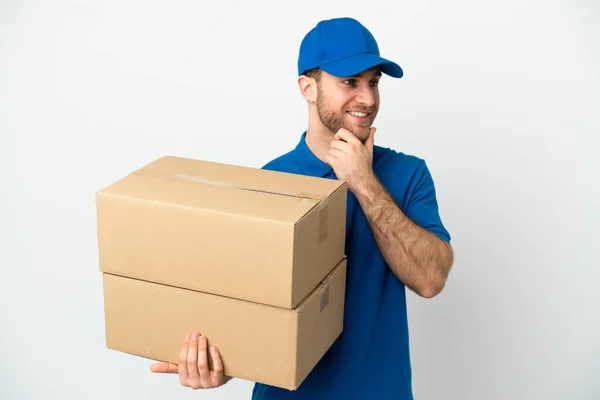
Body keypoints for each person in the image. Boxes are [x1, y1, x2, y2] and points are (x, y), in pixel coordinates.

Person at [150, 16, 454, 399]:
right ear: (308, 88)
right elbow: (245, 313)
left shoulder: (407, 174)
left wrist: (363, 181)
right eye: (350, 82)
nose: (369, 98)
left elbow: (430, 279)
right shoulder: (269, 183)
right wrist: (217, 365)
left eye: (373, 82)